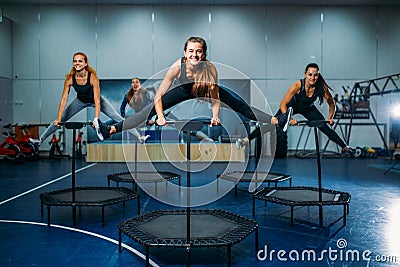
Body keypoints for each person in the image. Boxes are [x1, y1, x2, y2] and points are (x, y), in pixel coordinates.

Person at [97, 36, 288, 140]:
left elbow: (215, 97)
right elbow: (159, 95)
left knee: (239, 104)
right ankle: (109, 130)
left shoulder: (209, 68)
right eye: (191, 51)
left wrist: (215, 116)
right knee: (146, 113)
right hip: (183, 90)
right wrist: (161, 116)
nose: (194, 55)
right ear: (185, 53)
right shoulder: (176, 67)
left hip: (205, 90)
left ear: (203, 54)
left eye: (198, 51)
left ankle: (277, 120)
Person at [236, 63, 361, 157]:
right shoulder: (297, 85)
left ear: (318, 74)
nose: (313, 77)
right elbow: (283, 104)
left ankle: (346, 148)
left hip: (308, 109)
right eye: (310, 74)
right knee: (272, 123)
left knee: (324, 127)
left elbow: (331, 104)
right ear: (305, 74)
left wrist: (330, 117)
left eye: (315, 74)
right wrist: (289, 118)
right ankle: (245, 141)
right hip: (291, 106)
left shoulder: (321, 87)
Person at [30, 52, 149, 147]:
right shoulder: (70, 79)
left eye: (80, 61)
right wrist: (59, 117)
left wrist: (96, 118)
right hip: (80, 102)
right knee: (60, 120)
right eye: (75, 61)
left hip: (97, 101)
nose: (77, 63)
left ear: (86, 63)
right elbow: (64, 99)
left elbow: (97, 99)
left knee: (118, 118)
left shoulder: (93, 78)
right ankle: (40, 140)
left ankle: (140, 137)